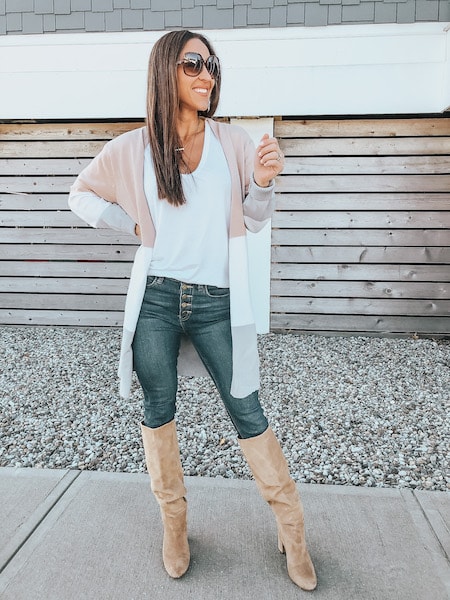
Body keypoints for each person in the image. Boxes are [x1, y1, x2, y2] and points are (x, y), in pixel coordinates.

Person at [68, 29, 317, 591]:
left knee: (247, 408)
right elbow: (79, 193)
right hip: (155, 298)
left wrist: (262, 182)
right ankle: (174, 526)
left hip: (215, 303)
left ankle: (293, 530)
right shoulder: (134, 147)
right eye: (194, 64)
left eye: (212, 65)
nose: (208, 75)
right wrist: (130, 225)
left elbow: (254, 219)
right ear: (166, 72)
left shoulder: (235, 142)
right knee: (157, 408)